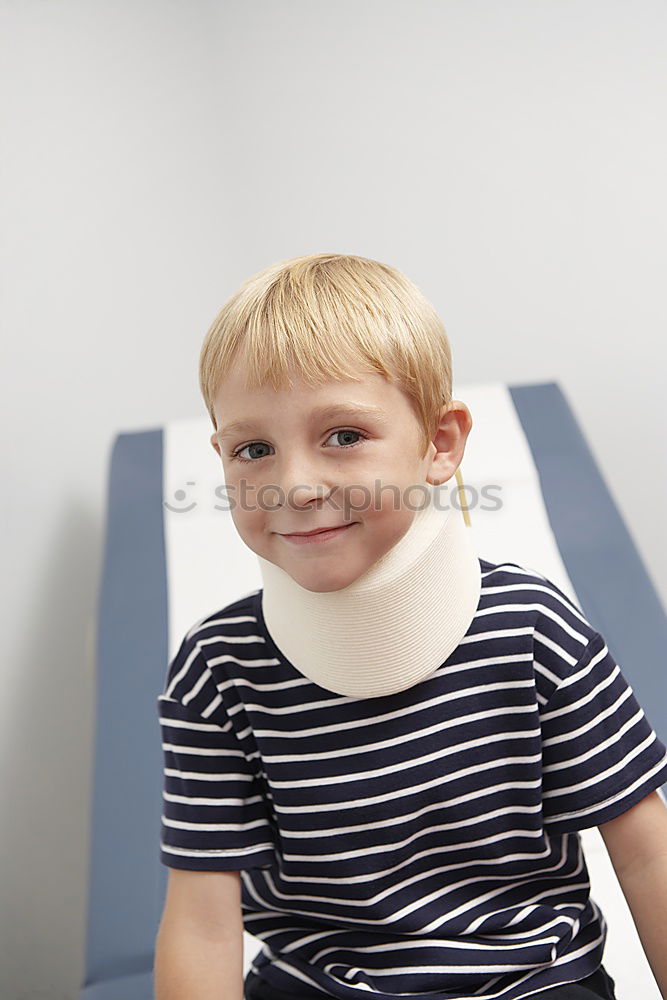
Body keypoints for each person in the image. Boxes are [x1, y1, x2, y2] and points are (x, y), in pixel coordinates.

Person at [153, 253, 667, 1000]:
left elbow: (648, 855)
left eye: (343, 435)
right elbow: (202, 922)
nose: (293, 485)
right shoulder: (217, 672)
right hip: (316, 986)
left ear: (439, 444)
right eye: (253, 449)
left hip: (527, 981)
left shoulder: (533, 630)